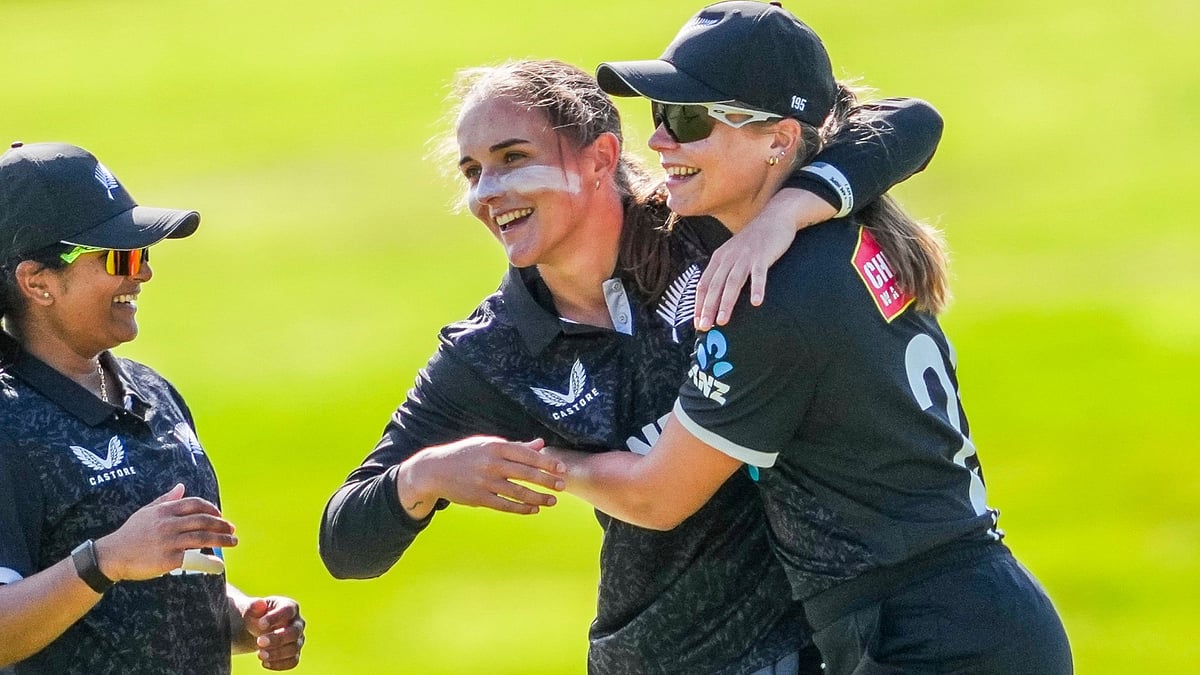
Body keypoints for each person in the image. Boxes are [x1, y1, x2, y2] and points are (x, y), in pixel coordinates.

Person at [319, 59, 942, 673]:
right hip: (666, 656)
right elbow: (344, 541)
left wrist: (782, 216)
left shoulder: (708, 223)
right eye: (473, 172)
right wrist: (424, 477)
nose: (489, 192)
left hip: (826, 635)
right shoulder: (490, 352)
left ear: (601, 157)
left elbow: (908, 122)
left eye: (514, 158)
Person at [545, 3, 1074, 674]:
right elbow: (903, 121)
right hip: (961, 618)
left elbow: (659, 494)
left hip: (933, 639)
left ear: (778, 137)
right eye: (657, 116)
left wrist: (541, 459)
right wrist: (794, 205)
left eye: (688, 119)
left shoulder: (772, 294)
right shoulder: (842, 230)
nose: (658, 144)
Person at [0, 142, 306, 674]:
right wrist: (106, 560)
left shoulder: (151, 391)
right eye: (120, 257)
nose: (142, 274)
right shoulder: (7, 424)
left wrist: (244, 616)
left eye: (143, 255)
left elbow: (178, 571)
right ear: (38, 282)